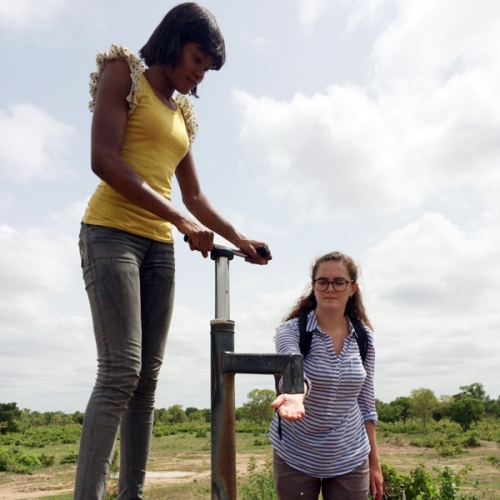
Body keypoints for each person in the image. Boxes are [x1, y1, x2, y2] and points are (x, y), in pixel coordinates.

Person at [75, 3, 271, 499]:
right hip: (111, 232)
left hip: (160, 247)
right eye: (197, 58)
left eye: (206, 67)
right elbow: (103, 158)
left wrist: (239, 240)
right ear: (174, 39)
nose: (198, 72)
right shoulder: (124, 72)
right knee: (121, 370)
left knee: (146, 382)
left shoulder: (183, 112)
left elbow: (195, 197)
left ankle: (131, 495)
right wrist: (179, 220)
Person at [269, 252, 383, 500]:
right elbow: (293, 365)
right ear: (313, 286)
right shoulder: (291, 331)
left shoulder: (364, 338)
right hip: (296, 452)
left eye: (339, 282)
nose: (330, 288)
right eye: (323, 281)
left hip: (350, 454)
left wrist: (375, 463)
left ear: (352, 288)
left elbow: (366, 402)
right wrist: (295, 395)